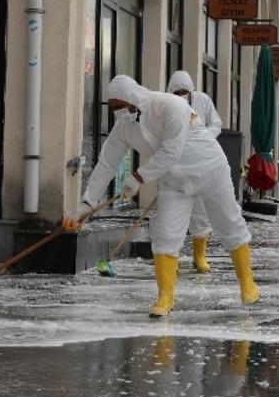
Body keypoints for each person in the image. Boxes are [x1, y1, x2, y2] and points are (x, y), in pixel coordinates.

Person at [71, 75, 259, 318]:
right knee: (165, 234)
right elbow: (106, 164)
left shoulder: (171, 106)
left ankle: (247, 284)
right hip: (173, 182)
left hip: (210, 170)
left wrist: (139, 178)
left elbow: (171, 150)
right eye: (112, 108)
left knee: (230, 225)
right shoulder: (124, 128)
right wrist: (87, 203)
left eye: (119, 106)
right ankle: (165, 297)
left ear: (132, 98)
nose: (117, 112)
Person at [167, 70, 221, 274]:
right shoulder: (166, 105)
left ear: (191, 91)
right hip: (176, 166)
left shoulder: (203, 101)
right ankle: (169, 256)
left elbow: (217, 123)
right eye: (177, 92)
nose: (181, 95)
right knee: (172, 213)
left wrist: (204, 136)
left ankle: (199, 256)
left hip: (200, 165)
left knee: (200, 211)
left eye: (184, 92)